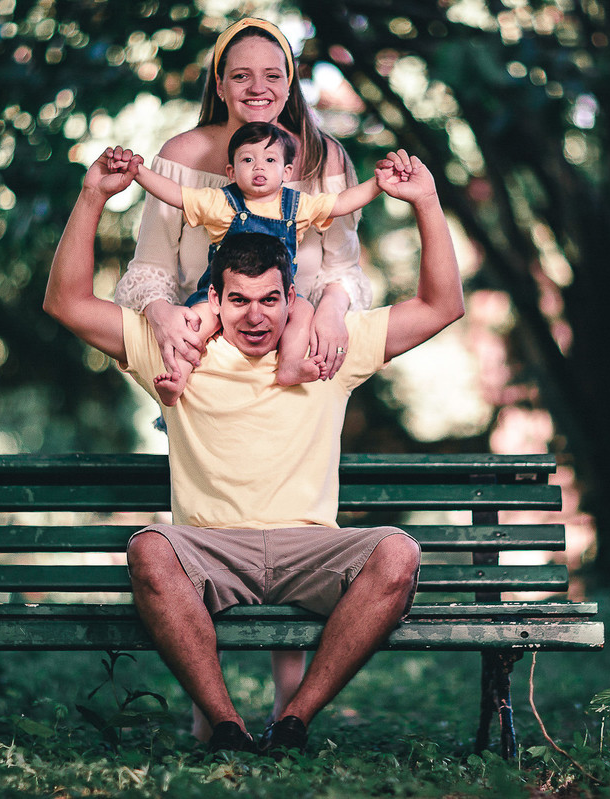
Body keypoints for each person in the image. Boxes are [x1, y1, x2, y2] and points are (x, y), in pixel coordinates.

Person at [43, 145, 464, 755]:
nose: (256, 316)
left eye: (270, 299)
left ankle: (294, 719)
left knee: (398, 554)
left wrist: (425, 200)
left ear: (290, 296)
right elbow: (67, 303)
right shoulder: (180, 351)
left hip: (309, 547)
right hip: (210, 548)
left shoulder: (328, 346)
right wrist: (92, 197)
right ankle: (227, 725)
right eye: (238, 300)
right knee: (149, 551)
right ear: (214, 298)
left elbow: (442, 306)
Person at [110, 16, 370, 736]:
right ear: (219, 83)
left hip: (300, 346)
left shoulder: (321, 157)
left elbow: (347, 266)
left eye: (273, 75)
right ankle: (210, 707)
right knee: (214, 518)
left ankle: (291, 706)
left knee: (291, 514)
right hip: (208, 353)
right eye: (241, 75)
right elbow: (148, 273)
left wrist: (335, 313)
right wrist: (164, 317)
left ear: (291, 83)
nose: (258, 89)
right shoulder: (185, 157)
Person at [124, 121, 386, 402]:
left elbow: (342, 203)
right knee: (193, 328)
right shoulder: (220, 203)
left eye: (269, 159)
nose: (259, 167)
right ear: (231, 171)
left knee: (304, 311)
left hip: (275, 298)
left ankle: (290, 364)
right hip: (221, 295)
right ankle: (178, 379)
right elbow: (176, 195)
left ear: (286, 171)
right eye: (248, 159)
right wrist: (138, 173)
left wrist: (378, 184)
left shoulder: (299, 206)